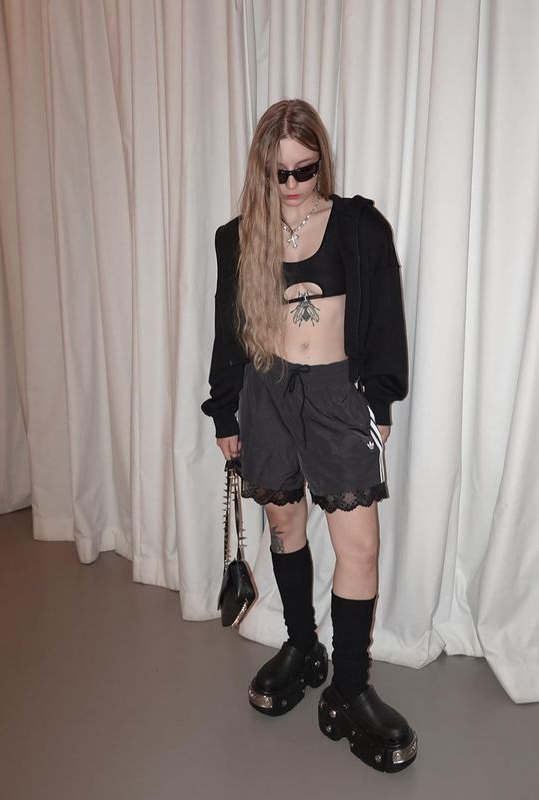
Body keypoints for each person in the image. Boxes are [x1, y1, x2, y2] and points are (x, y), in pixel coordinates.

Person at [201, 99, 417, 773]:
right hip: (265, 393)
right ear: (260, 171)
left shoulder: (358, 227)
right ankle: (302, 645)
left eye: (305, 169)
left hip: (334, 396)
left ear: (322, 161)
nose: (292, 184)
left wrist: (379, 398)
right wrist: (226, 413)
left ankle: (350, 688)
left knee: (360, 547)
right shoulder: (239, 238)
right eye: (279, 173)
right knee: (284, 524)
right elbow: (228, 330)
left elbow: (386, 317)